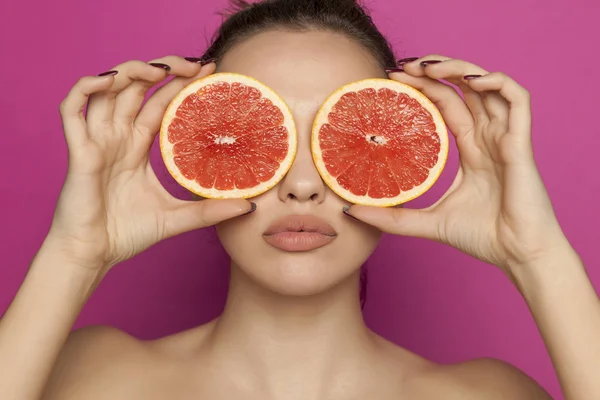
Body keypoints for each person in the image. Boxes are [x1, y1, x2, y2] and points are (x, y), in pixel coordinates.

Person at [1, 0, 598, 398]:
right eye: (259, 137)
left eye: (345, 140)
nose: (302, 184)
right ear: (197, 151)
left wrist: (537, 256)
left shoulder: (486, 395)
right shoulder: (97, 376)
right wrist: (74, 253)